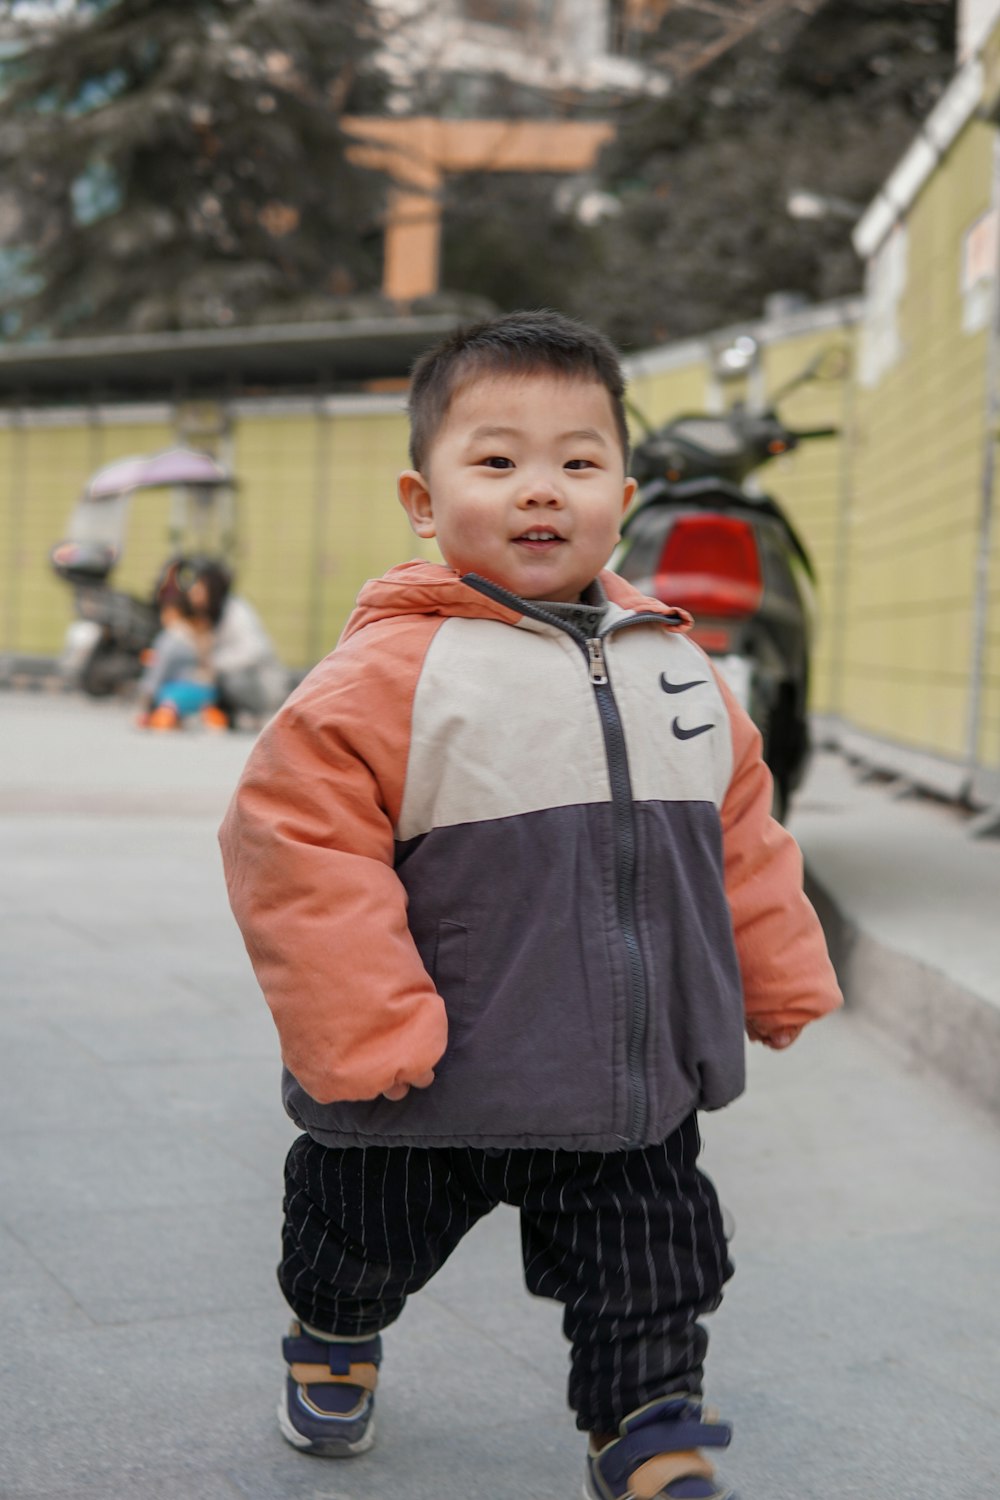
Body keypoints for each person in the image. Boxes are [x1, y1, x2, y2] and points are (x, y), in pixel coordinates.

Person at [218, 310, 842, 1500]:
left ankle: (649, 1433)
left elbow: (741, 834)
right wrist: (362, 1025)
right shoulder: (382, 678)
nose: (539, 490)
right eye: (496, 461)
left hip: (624, 1079)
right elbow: (292, 850)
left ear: (627, 487)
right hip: (426, 1080)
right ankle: (334, 1332)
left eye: (577, 460)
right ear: (421, 496)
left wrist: (775, 968)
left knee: (655, 1259)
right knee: (354, 1241)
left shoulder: (680, 668)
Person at [185, 561, 287, 724]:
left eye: (199, 588)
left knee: (231, 679)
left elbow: (255, 650)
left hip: (261, 685)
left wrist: (215, 663)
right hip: (234, 676)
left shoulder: (237, 611)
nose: (193, 593)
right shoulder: (210, 615)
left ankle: (258, 715)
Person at [135, 588, 226, 731]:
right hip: (209, 692)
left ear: (175, 612)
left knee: (165, 698)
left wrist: (145, 702)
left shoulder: (170, 637)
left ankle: (168, 715)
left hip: (178, 693)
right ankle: (208, 715)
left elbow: (158, 670)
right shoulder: (201, 631)